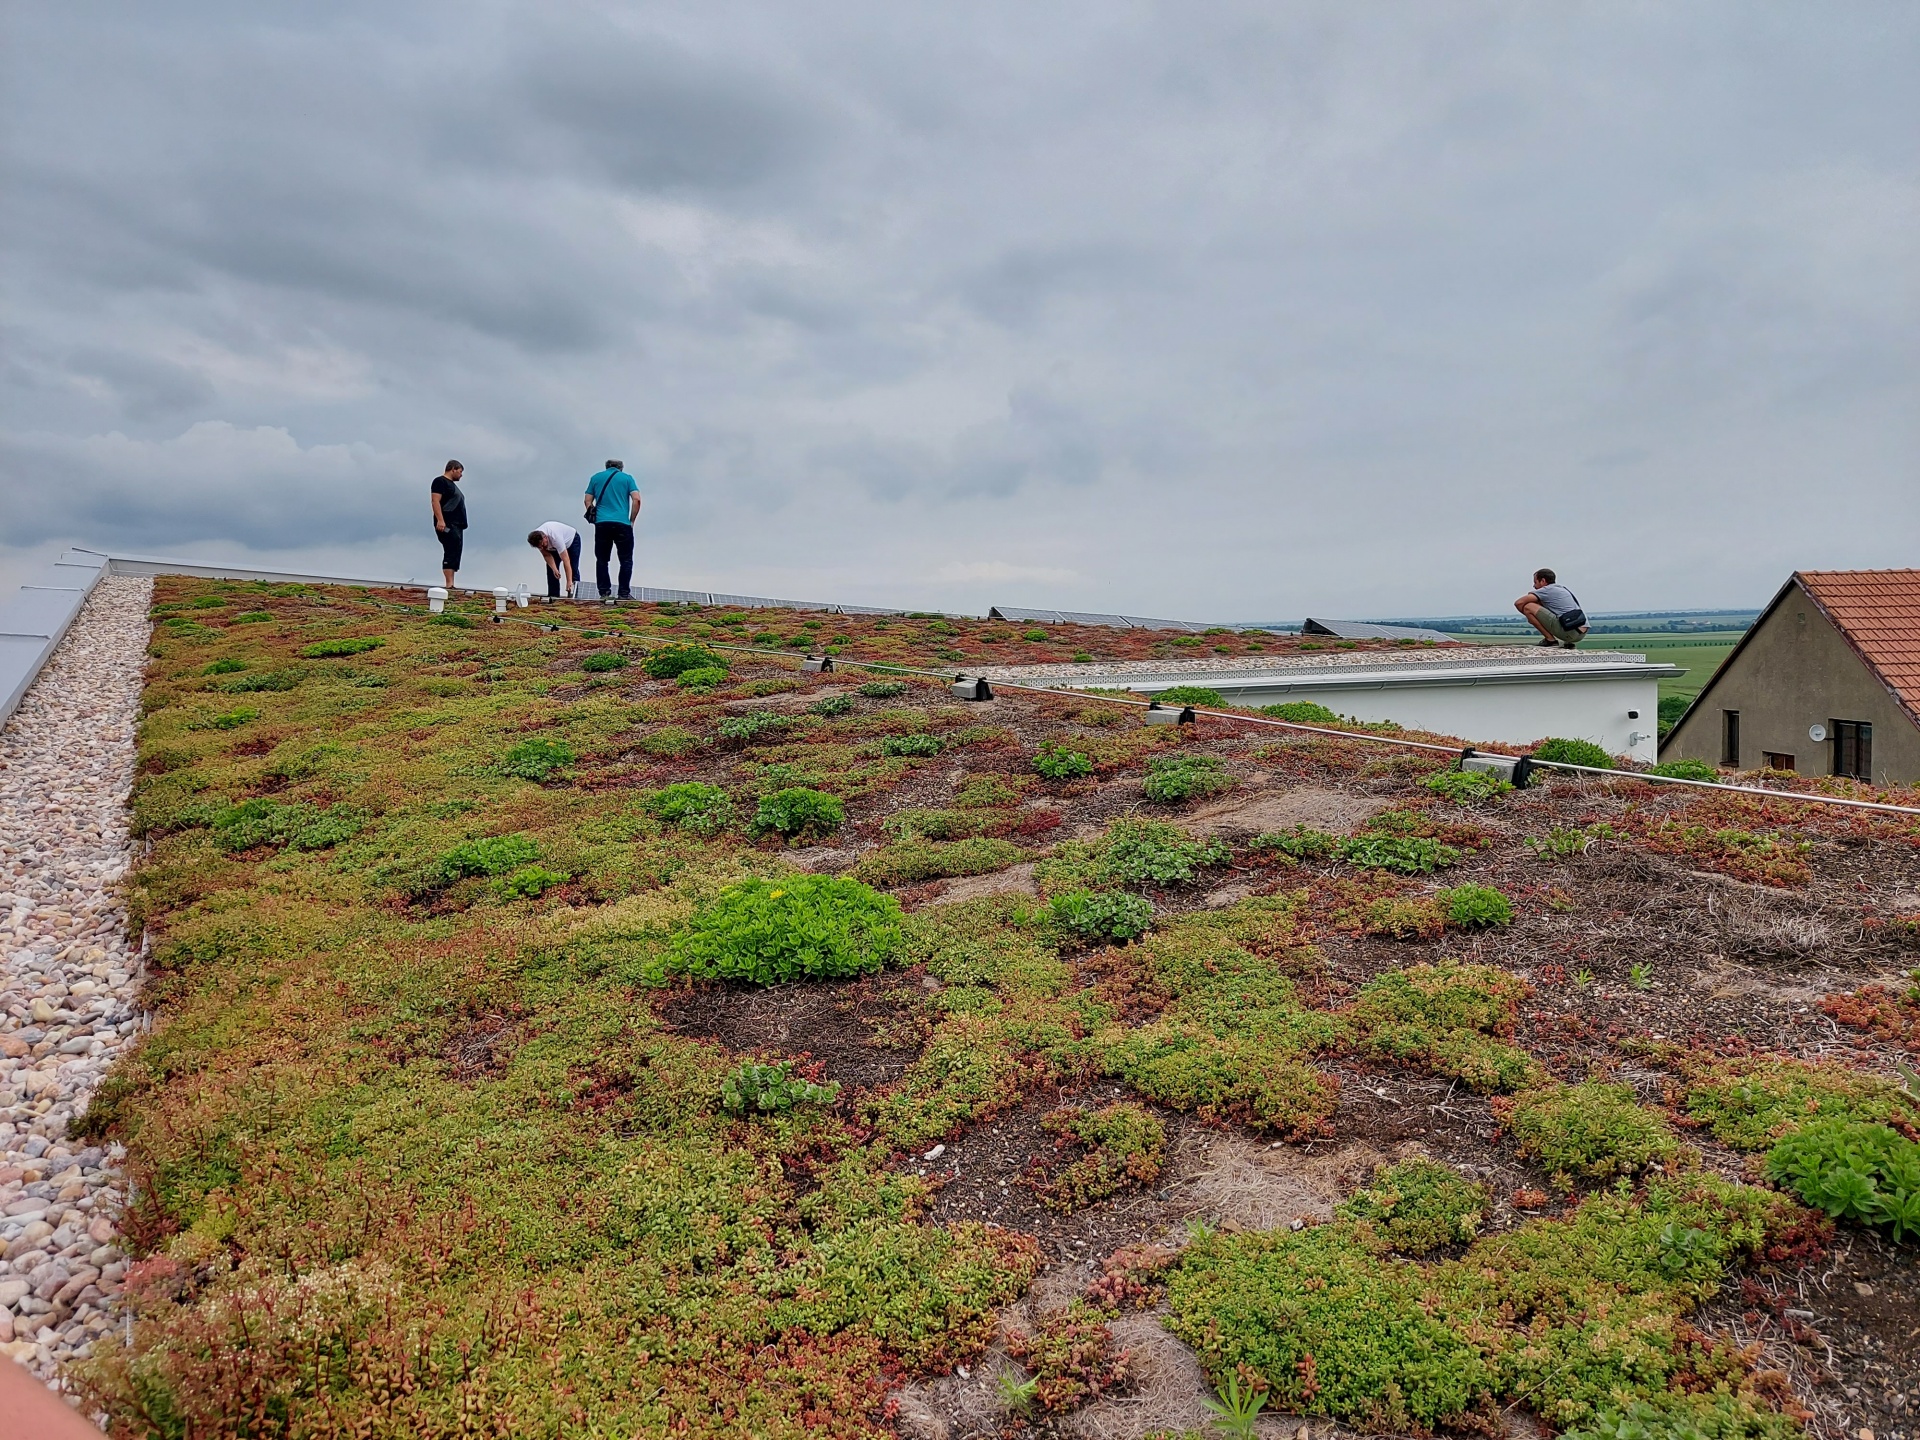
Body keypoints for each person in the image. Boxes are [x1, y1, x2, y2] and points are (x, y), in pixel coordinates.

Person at [583, 459, 640, 602]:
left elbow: (587, 500)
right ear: (621, 468)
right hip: (622, 523)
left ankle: (604, 593)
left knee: (602, 560)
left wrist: (594, 516)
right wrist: (631, 519)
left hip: (602, 523)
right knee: (626, 560)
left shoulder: (595, 478)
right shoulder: (627, 478)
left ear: (606, 467)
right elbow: (636, 499)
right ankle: (624, 593)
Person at [1515, 568, 1589, 648]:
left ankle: (1550, 640)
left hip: (1570, 632)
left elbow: (1519, 603)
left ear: (1543, 581)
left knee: (1528, 607)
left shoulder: (1546, 590)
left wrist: (1531, 618)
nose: (1534, 586)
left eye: (1535, 582)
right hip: (1581, 633)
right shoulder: (1561, 588)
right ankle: (1567, 643)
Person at [429, 460, 467, 589]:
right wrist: (440, 520)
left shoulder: (453, 486)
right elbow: (435, 501)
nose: (461, 475)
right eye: (460, 471)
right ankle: (449, 583)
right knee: (450, 549)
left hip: (457, 524)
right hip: (447, 522)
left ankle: (452, 583)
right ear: (453, 469)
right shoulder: (440, 482)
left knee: (456, 550)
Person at [527, 521, 582, 600]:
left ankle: (575, 595)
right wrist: (554, 569)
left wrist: (569, 581)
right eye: (539, 547)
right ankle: (553, 596)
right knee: (551, 569)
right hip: (553, 548)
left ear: (545, 537)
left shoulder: (555, 537)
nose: (542, 548)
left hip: (572, 542)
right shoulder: (537, 541)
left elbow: (566, 560)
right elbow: (547, 555)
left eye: (543, 545)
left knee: (573, 568)